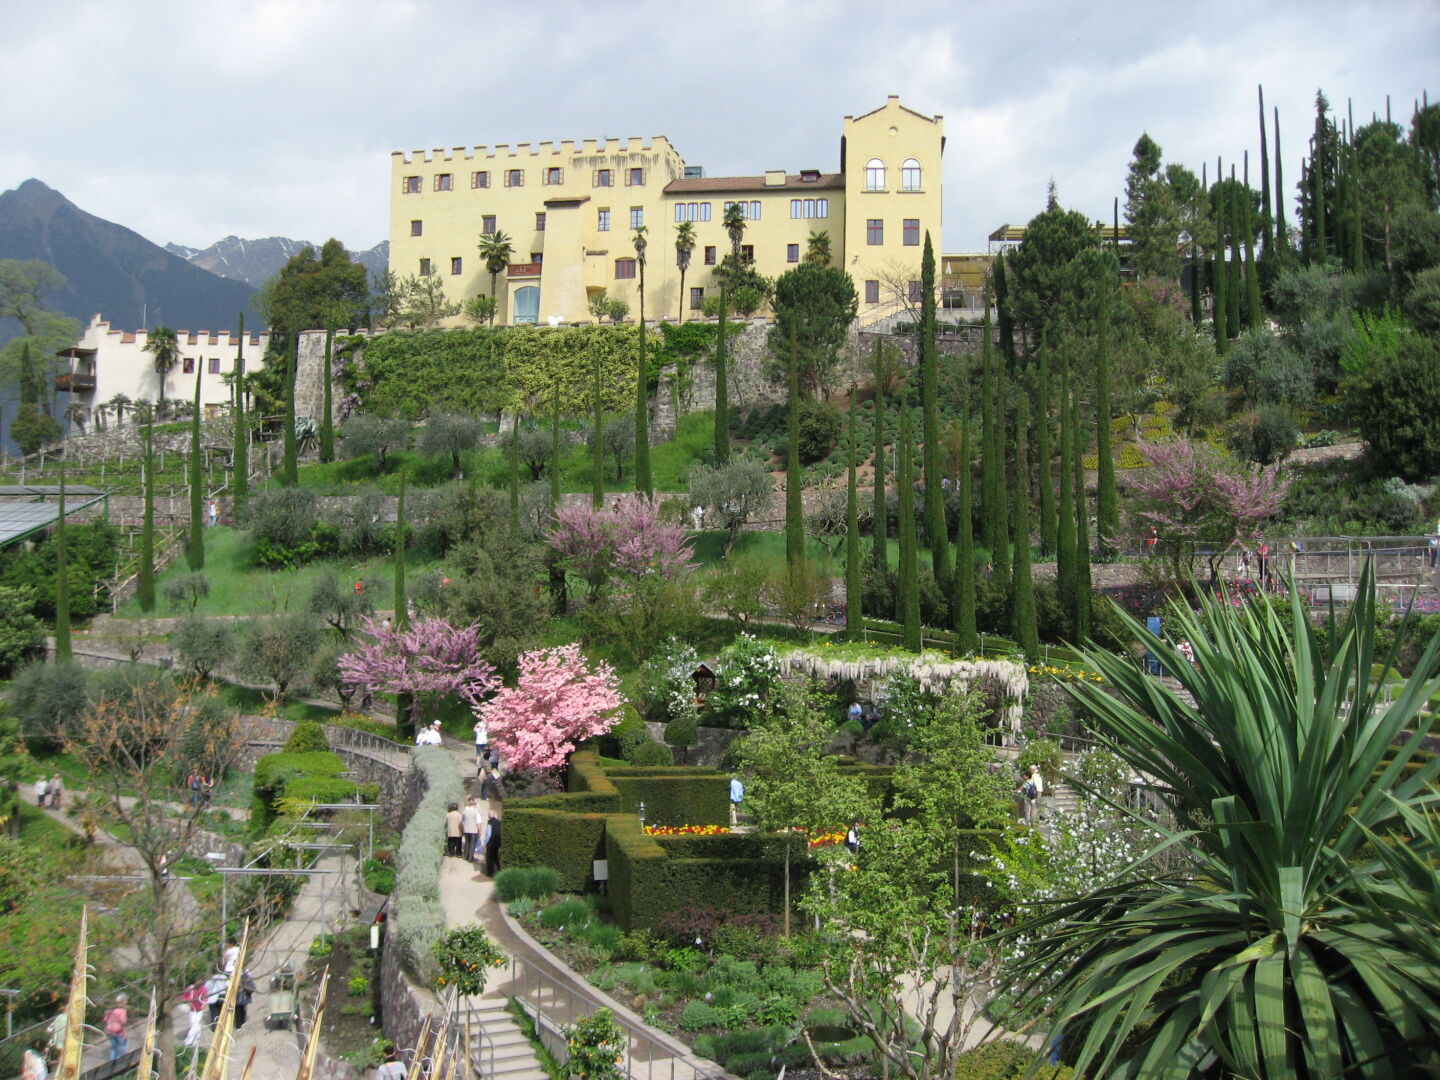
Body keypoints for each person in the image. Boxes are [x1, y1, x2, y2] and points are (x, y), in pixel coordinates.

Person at [102, 996, 129, 1061]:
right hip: (118, 1031)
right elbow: (123, 1022)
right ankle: (120, 1060)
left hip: (110, 1031)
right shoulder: (122, 1011)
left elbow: (105, 1020)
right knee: (122, 1045)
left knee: (113, 1047)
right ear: (123, 1003)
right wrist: (125, 1033)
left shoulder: (110, 1011)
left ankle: (112, 1060)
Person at [181, 981, 207, 1047]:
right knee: (194, 1024)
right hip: (192, 1009)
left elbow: (205, 997)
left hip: (199, 1009)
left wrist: (204, 1004)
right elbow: (184, 996)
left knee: (195, 1024)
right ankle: (194, 1039)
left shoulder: (204, 988)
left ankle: (189, 1040)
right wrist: (188, 1002)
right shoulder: (190, 988)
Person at [461, 796, 481, 861]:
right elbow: (478, 823)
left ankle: (466, 856)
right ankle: (470, 858)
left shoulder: (464, 811)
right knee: (472, 844)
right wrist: (480, 831)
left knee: (467, 843)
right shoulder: (476, 812)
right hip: (473, 830)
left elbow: (461, 821)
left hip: (466, 830)